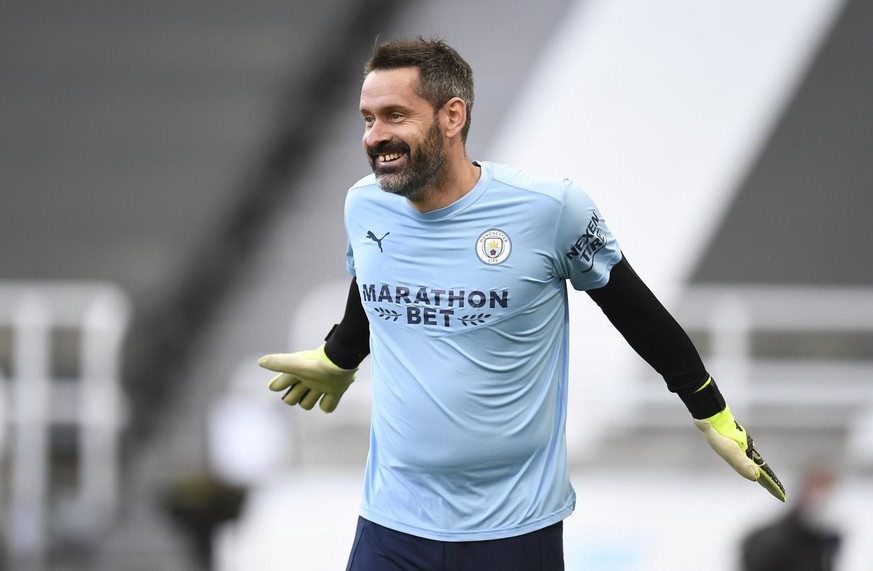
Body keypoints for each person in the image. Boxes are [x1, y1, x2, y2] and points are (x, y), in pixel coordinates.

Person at [258, 37, 786, 571]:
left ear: (452, 116)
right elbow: (374, 285)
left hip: (513, 532)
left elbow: (639, 315)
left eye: (395, 115)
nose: (376, 137)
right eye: (368, 119)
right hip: (391, 526)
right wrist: (341, 353)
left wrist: (710, 409)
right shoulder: (365, 204)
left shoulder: (549, 209)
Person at [740, 463, 842, 571]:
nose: (823, 497)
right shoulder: (768, 541)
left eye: (828, 488)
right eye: (817, 487)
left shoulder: (828, 540)